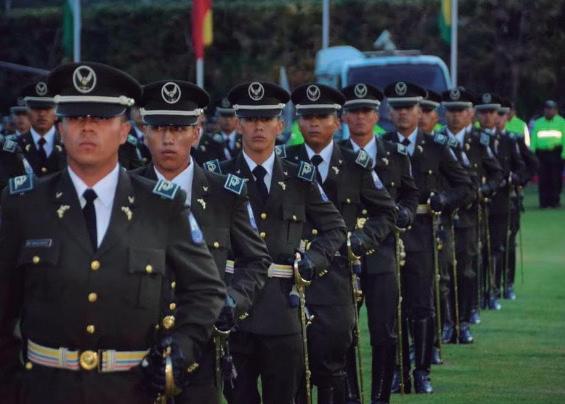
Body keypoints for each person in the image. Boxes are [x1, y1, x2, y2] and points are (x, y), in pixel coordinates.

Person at [0, 61, 226, 404]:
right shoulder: (23, 204)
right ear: (61, 128)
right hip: (44, 389)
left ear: (124, 131)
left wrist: (182, 346)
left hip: (132, 390)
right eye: (76, 118)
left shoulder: (161, 206)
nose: (87, 128)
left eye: (101, 118)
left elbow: (205, 290)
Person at [133, 79, 272, 403]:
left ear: (196, 134)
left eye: (179, 129)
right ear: (145, 133)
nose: (168, 139)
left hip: (202, 343)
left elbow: (256, 259)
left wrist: (233, 300)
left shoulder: (225, 193)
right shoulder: (126, 190)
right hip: (136, 342)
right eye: (158, 128)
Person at [212, 81, 347, 404]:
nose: (258, 127)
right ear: (239, 124)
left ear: (280, 125)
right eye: (250, 119)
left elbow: (335, 228)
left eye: (266, 119)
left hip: (282, 307)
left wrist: (313, 261)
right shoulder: (217, 177)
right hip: (234, 306)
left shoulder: (300, 177)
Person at [283, 83, 396, 404]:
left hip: (337, 274)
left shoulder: (355, 164)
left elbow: (385, 212)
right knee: (292, 359)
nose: (314, 124)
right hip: (292, 274)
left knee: (335, 352)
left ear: (337, 121)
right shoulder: (284, 161)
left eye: (322, 117)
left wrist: (360, 241)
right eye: (307, 117)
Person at [381, 81, 474, 394]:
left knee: (421, 305)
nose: (403, 113)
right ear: (390, 113)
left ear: (420, 111)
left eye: (409, 108)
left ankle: (421, 371)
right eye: (397, 108)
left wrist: (443, 200)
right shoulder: (382, 146)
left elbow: (465, 186)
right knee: (391, 307)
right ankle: (396, 370)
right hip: (388, 234)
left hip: (423, 232)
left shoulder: (435, 147)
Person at [339, 82, 419, 403]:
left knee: (384, 330)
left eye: (366, 111)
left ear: (377, 115)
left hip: (382, 250)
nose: (360, 118)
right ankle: (350, 396)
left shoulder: (395, 154)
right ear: (344, 117)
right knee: (343, 330)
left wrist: (406, 213)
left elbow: (410, 193)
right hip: (343, 252)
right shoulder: (335, 155)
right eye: (354, 111)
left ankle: (381, 396)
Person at [437, 88, 503, 344]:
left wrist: (484, 190)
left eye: (460, 111)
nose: (455, 116)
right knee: (443, 273)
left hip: (469, 216)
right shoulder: (437, 140)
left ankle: (463, 321)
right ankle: (446, 322)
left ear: (470, 113)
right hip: (442, 215)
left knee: (466, 271)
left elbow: (496, 173)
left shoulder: (480, 140)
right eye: (451, 111)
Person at [476, 92, 526, 310]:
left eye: (492, 113)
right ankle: (480, 292)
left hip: (501, 202)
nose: (488, 117)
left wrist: (515, 178)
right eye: (483, 112)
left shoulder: (508, 140)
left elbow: (525, 166)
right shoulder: (473, 139)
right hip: (476, 203)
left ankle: (495, 289)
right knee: (478, 251)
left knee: (499, 247)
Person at [16, 78, 66, 177]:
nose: (42, 114)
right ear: (27, 112)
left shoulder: (68, 145)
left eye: (47, 108)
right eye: (36, 108)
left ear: (56, 113)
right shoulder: (16, 145)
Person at [530, 100, 565, 208]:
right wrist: (531, 154)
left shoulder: (562, 122)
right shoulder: (538, 123)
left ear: (556, 110)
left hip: (556, 153)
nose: (549, 111)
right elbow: (534, 139)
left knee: (556, 179)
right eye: (547, 109)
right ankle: (544, 202)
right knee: (543, 179)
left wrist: (563, 154)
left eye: (551, 109)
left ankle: (555, 201)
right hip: (542, 154)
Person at [193, 97, 242, 165]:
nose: (227, 119)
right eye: (223, 115)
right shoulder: (208, 140)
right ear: (218, 117)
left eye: (230, 116)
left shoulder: (244, 140)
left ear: (236, 118)